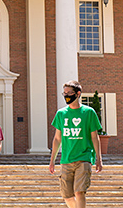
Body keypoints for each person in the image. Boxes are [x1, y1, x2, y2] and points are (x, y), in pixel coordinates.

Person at [49, 80, 103, 208]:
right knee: (67, 196)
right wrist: (52, 160)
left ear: (78, 94)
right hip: (66, 160)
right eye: (65, 93)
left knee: (79, 192)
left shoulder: (89, 112)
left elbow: (95, 137)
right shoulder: (61, 114)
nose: (67, 96)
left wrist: (98, 159)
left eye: (69, 93)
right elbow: (57, 139)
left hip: (84, 158)